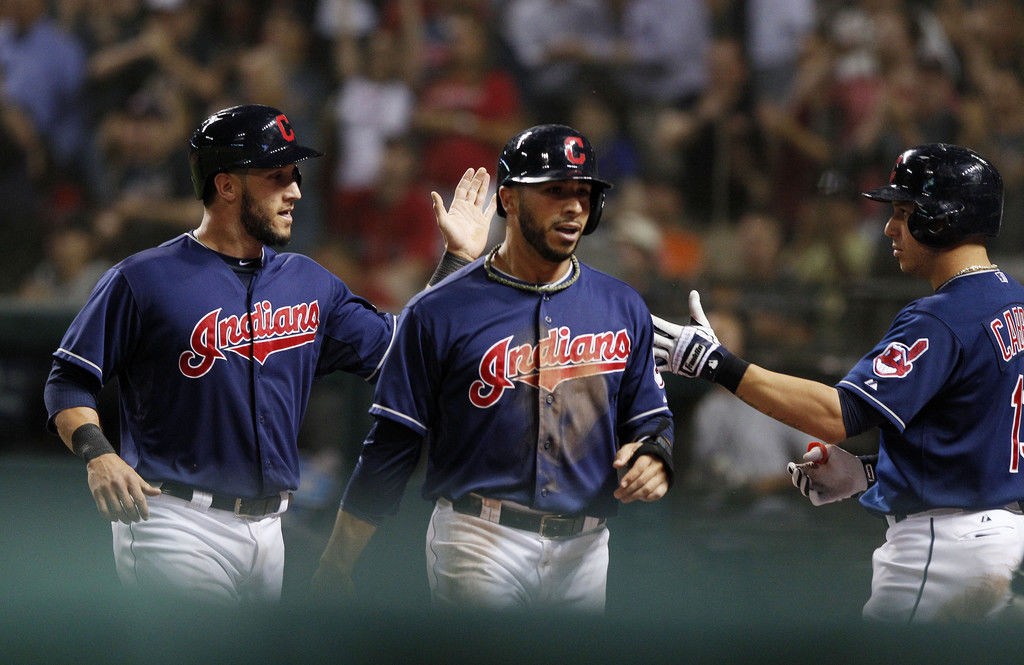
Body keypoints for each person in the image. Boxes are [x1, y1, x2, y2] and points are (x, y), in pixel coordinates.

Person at [42, 103, 492, 606]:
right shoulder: (142, 278)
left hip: (269, 530)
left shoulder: (310, 282)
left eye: (295, 175)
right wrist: (97, 453)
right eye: (276, 175)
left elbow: (407, 354)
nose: (295, 190)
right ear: (227, 185)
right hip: (173, 520)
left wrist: (457, 262)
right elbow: (68, 379)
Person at [651, 143, 1024, 623]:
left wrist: (718, 364)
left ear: (943, 219)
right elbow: (977, 433)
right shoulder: (1012, 299)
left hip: (942, 551)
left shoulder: (941, 317)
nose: (889, 227)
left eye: (905, 212)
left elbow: (837, 415)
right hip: (1004, 541)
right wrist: (872, 472)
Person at [312, 124, 674, 612]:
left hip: (587, 548)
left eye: (583, 193)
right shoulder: (440, 308)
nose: (573, 206)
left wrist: (655, 455)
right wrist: (337, 561)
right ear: (509, 199)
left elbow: (650, 417)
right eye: (554, 191)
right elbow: (392, 444)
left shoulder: (622, 305)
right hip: (479, 536)